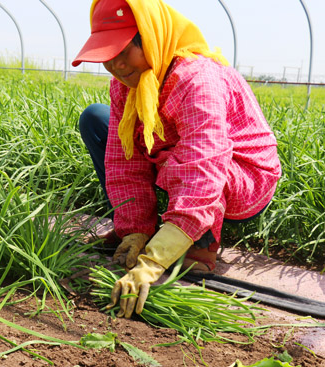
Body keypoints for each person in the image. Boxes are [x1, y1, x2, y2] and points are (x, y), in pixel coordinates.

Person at [72, 0, 282, 318]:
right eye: (107, 57)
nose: (116, 65)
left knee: (191, 165)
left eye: (123, 51)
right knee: (96, 119)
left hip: (240, 176)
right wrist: (135, 229)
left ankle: (200, 242)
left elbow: (205, 165)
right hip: (175, 160)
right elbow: (123, 160)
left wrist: (153, 261)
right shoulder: (125, 87)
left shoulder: (197, 80)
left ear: (152, 37)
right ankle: (147, 227)